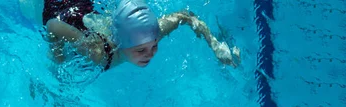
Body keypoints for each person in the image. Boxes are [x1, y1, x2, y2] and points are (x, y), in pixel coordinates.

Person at [36, 0, 240, 70]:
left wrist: (215, 45)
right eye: (141, 50)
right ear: (120, 45)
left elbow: (185, 16)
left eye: (154, 45)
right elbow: (54, 25)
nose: (150, 54)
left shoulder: (151, 35)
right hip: (60, 8)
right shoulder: (99, 53)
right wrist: (57, 56)